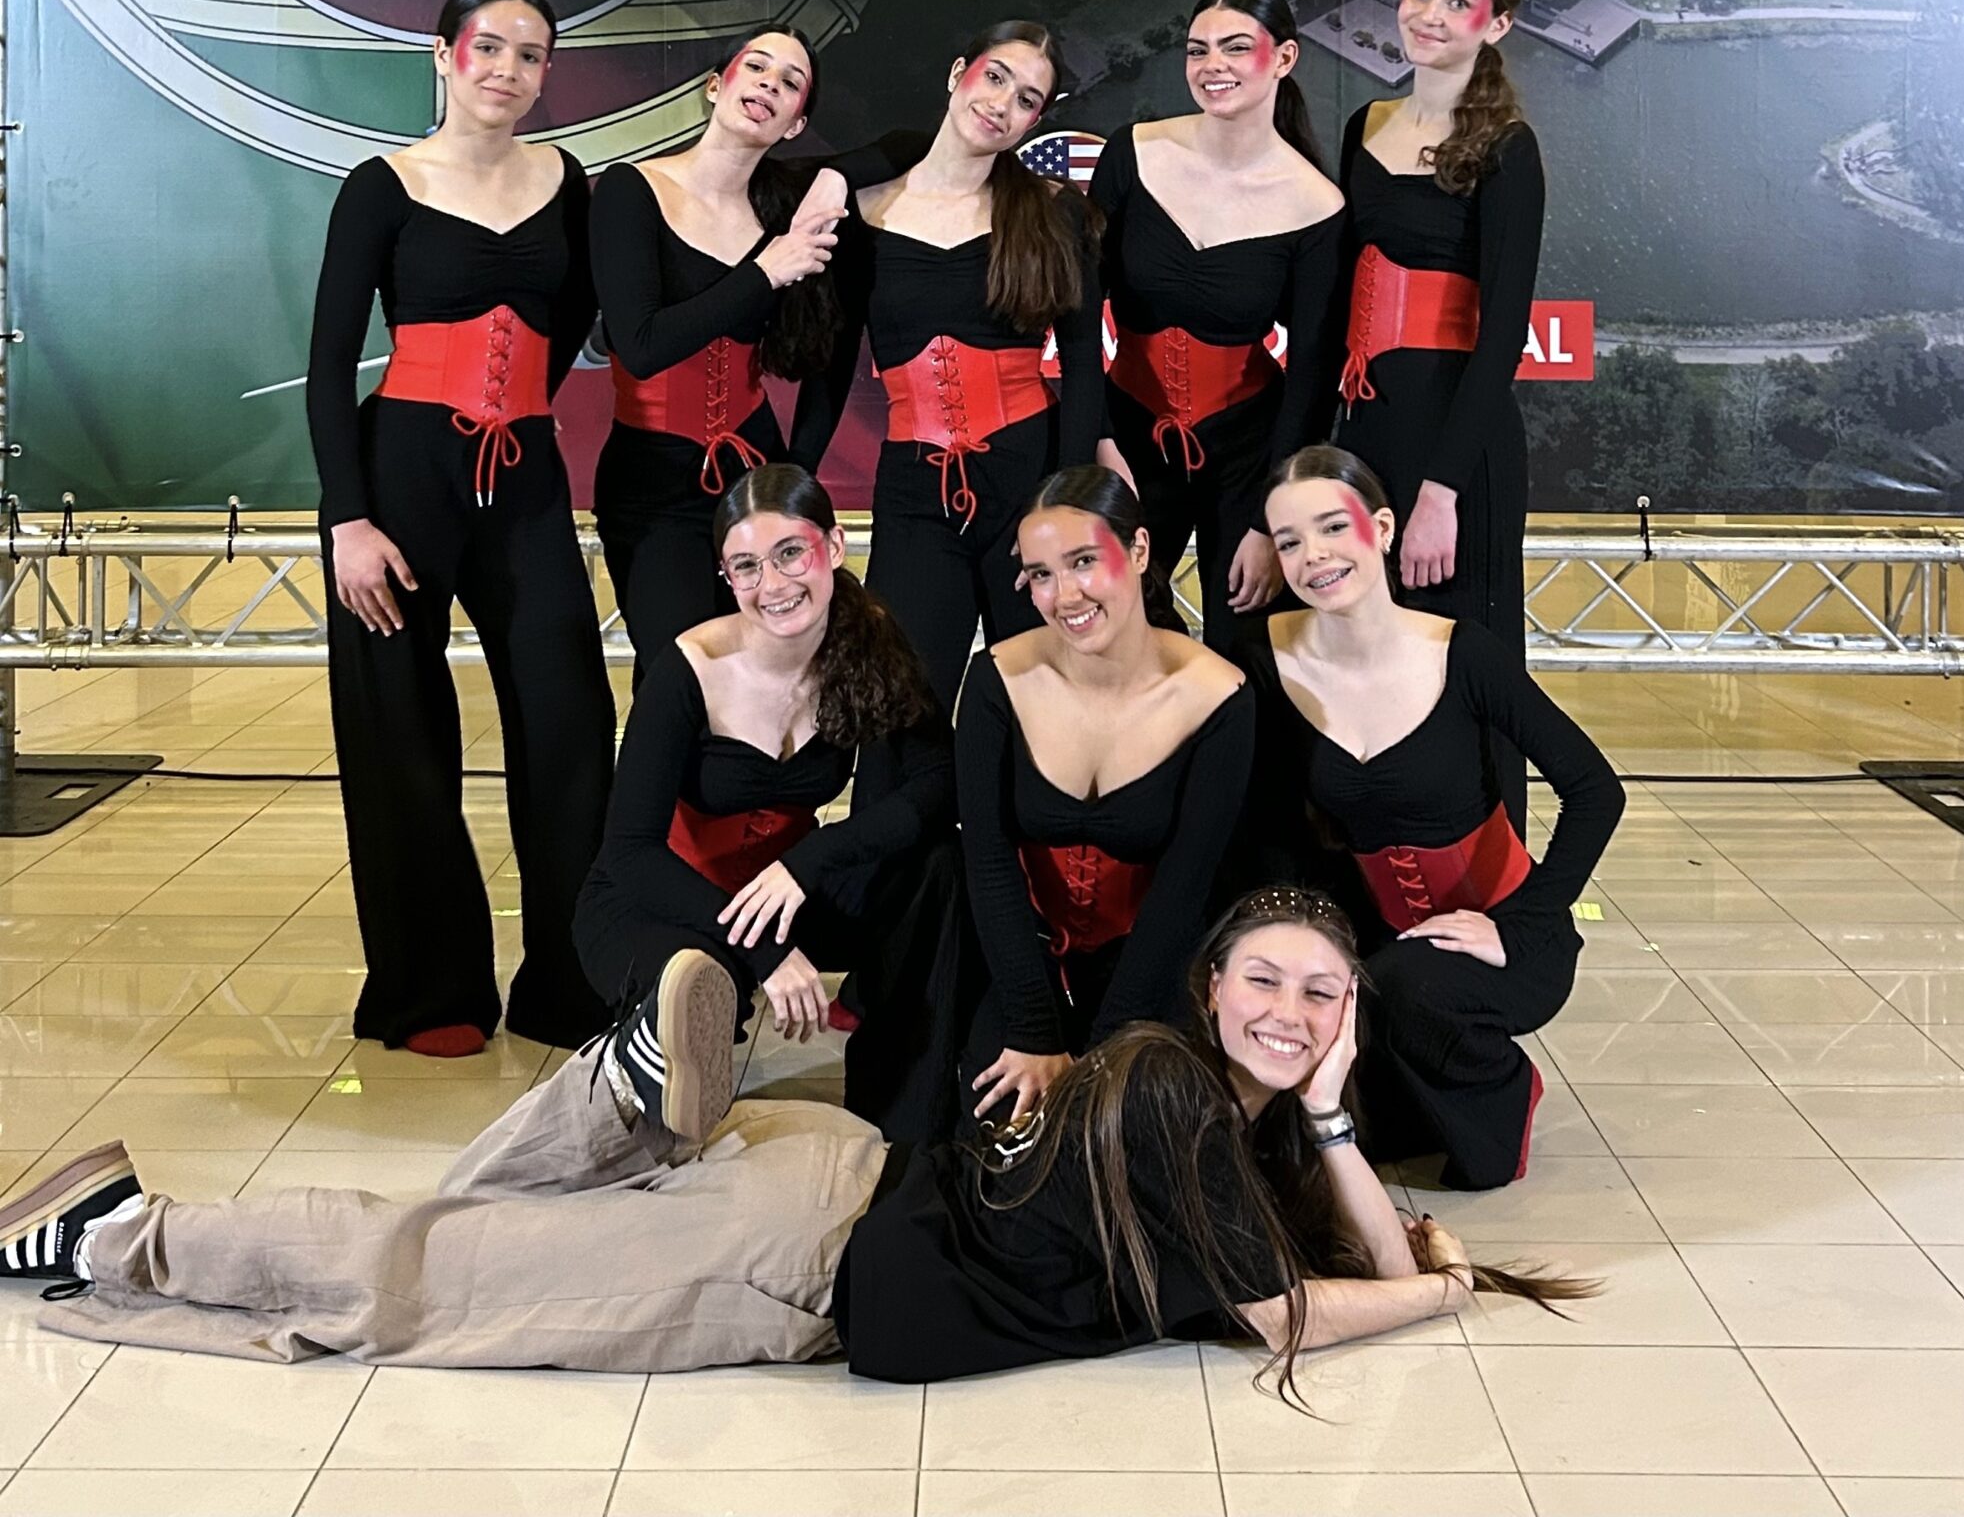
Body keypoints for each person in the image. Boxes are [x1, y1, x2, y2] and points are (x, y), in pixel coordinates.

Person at [9, 891, 1591, 1382]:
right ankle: (110, 1238)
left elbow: (1354, 1241)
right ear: (1211, 987)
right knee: (415, 1285)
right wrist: (1447, 1293)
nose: (1291, 1012)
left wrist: (1331, 1111)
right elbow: (1297, 1310)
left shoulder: (1225, 1115)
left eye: (1322, 995)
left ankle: (625, 1093)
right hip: (798, 1257)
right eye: (1267, 981)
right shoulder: (1177, 1093)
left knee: (455, 1226)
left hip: (826, 1170)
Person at [306, 0, 616, 1058]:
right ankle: (431, 989)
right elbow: (327, 364)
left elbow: (570, 325)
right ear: (444, 55)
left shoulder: (567, 185)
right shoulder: (382, 186)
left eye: (530, 55)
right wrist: (348, 520)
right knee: (400, 728)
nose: (507, 71)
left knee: (569, 719)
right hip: (399, 478)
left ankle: (571, 984)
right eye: (488, 47)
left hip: (522, 476)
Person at [1263, 447, 1625, 1190]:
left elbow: (1596, 790)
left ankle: (1506, 1089)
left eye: (1333, 527)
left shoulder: (1464, 653)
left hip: (1506, 934)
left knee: (1405, 990)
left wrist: (1517, 925)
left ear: (1382, 529)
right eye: (1289, 541)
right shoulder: (1270, 657)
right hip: (1379, 937)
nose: (1314, 555)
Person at [573, 463, 962, 1140]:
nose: (773, 585)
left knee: (940, 865)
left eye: (790, 554)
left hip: (782, 891)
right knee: (695, 985)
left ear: (832, 547)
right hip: (667, 899)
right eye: (746, 567)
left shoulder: (868, 639)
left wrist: (813, 858)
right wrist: (766, 953)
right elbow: (630, 853)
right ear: (726, 577)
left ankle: (903, 1117)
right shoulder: (689, 669)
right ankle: (649, 1080)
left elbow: (935, 784)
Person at [957, 466, 1253, 1124]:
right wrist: (1034, 1031)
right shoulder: (996, 679)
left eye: (1084, 561)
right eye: (1040, 574)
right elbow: (988, 861)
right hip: (1024, 960)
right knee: (996, 1124)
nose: (1064, 595)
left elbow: (1185, 888)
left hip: (1156, 962)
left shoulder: (1220, 696)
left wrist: (1105, 1051)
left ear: (1139, 550)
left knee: (1134, 1127)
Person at [1332, 0, 1545, 823]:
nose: (1429, 14)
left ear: (1496, 25)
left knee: (1465, 663)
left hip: (1455, 450)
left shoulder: (1508, 148)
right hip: (1366, 435)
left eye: (1458, 2)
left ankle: (1494, 867)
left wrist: (1440, 492)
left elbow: (1501, 338)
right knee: (1370, 664)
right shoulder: (1364, 126)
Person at [848, 21, 1107, 714]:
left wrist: (1066, 504)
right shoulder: (863, 212)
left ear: (1034, 122)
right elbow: (830, 368)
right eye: (994, 78)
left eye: (1026, 99)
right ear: (958, 72)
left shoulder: (1054, 213)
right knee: (902, 705)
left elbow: (1084, 364)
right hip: (913, 490)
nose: (1001, 104)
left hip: (1030, 483)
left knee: (1041, 702)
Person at [1091, 0, 1345, 666]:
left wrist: (1271, 520)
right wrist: (1100, 440)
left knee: (1245, 648)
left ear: (1284, 58)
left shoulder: (1318, 204)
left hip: (1248, 455)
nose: (1213, 66)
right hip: (1127, 437)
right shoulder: (1132, 152)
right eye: (1197, 50)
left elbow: (1314, 373)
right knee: (1114, 639)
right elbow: (1076, 315)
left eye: (1236, 48)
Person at [590, 28, 850, 689]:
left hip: (755, 474)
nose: (768, 84)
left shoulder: (786, 209)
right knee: (678, 676)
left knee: (772, 674)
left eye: (790, 82)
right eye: (755, 67)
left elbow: (901, 146)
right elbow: (641, 346)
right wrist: (766, 272)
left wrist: (798, 472)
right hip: (651, 481)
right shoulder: (632, 190)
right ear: (715, 85)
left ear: (796, 124)